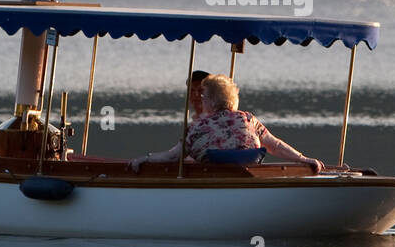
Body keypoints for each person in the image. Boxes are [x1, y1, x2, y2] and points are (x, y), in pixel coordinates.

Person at [128, 74, 325, 173]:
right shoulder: (248, 119)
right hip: (248, 171)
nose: (201, 99)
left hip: (213, 177)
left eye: (204, 96)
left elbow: (172, 157)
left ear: (212, 100)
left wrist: (144, 159)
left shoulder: (197, 127)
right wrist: (304, 159)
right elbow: (275, 146)